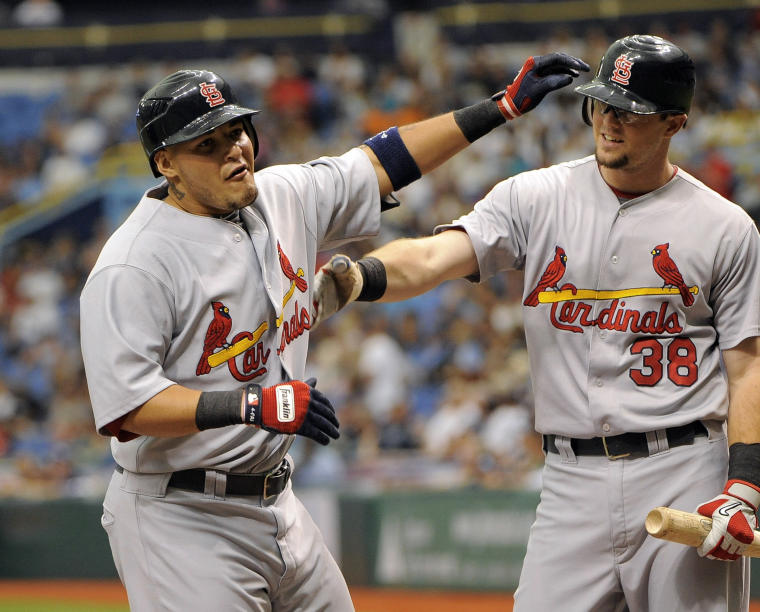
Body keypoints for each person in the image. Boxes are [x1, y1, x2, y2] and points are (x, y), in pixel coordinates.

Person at [79, 52, 588, 612]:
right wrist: (251, 405)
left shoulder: (282, 196)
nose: (235, 151)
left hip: (277, 497)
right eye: (208, 145)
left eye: (238, 131)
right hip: (180, 515)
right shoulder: (134, 264)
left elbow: (383, 161)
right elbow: (128, 407)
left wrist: (502, 107)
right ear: (165, 164)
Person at [316, 34, 760, 611]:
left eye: (630, 112)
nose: (610, 121)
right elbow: (437, 256)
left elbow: (752, 363)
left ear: (673, 124)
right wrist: (359, 277)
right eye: (602, 104)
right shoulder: (536, 196)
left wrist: (742, 489)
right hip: (570, 478)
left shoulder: (724, 226)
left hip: (684, 469)